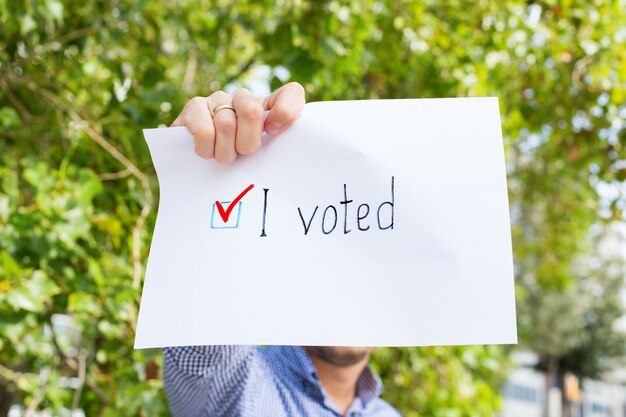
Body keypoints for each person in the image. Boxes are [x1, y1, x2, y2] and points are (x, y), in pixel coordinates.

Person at [165, 82, 401, 417]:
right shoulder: (240, 384)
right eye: (337, 261)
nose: (353, 283)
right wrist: (214, 167)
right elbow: (204, 330)